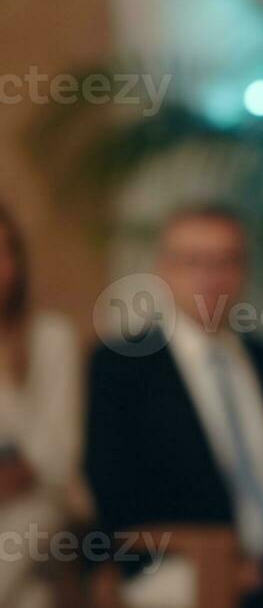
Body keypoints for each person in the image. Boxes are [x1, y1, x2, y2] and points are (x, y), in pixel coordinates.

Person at [84, 203, 263, 608]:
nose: (211, 277)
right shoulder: (122, 367)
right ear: (163, 271)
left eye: (226, 261)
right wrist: (224, 558)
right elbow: (114, 492)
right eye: (194, 261)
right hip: (181, 562)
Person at [0, 202, 85, 608]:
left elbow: (56, 456)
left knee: (28, 519)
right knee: (31, 599)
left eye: (4, 251)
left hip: (39, 505)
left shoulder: (51, 339)